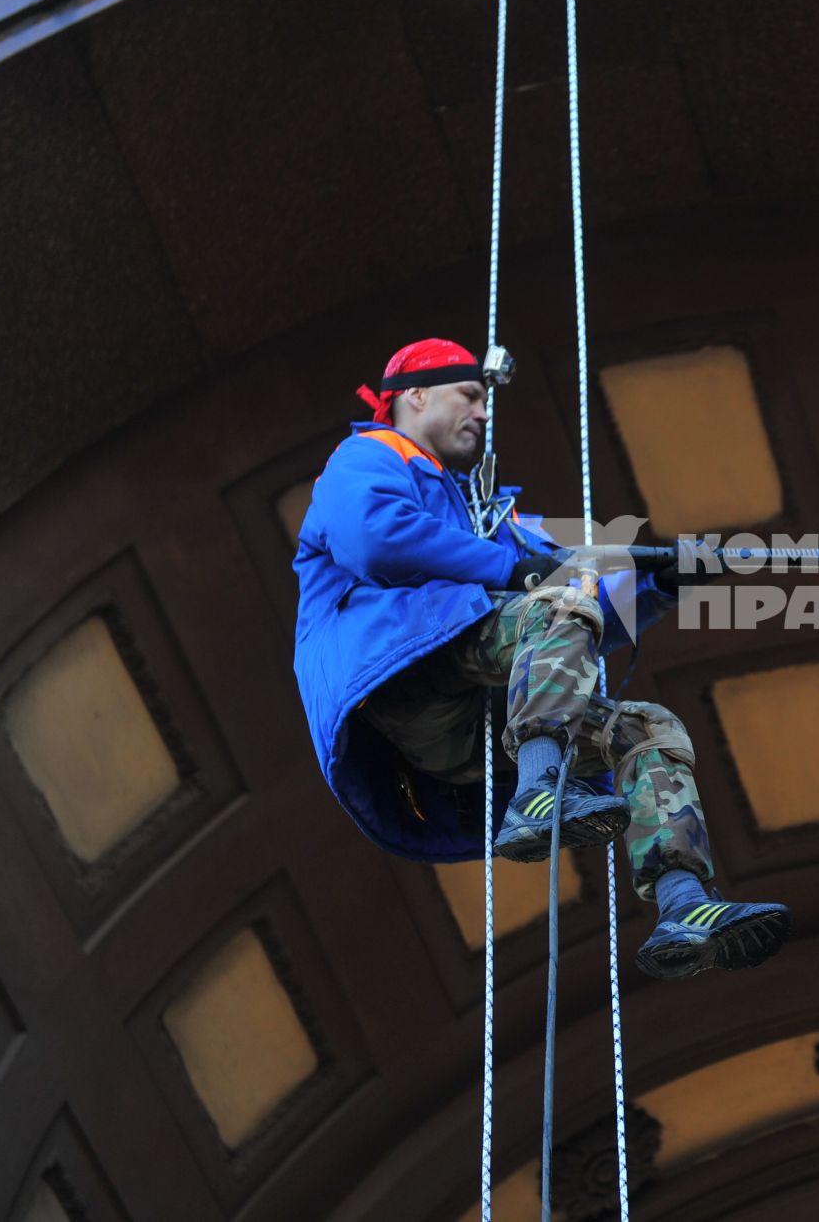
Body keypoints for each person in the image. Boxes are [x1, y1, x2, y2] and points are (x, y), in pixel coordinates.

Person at [291, 338, 788, 978]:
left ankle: (682, 902)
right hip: (398, 664)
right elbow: (375, 538)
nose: (482, 412)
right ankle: (539, 791)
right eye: (469, 394)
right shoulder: (370, 455)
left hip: (469, 706)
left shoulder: (491, 512)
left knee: (647, 729)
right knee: (557, 604)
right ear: (414, 395)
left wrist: (669, 579)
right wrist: (518, 567)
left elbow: (578, 615)